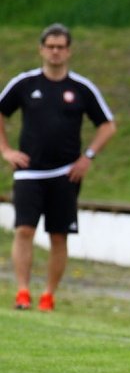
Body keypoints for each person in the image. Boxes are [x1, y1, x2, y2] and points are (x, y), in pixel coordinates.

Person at [0, 23, 116, 311]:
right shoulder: (25, 84)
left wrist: (87, 156)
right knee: (24, 230)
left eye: (60, 47)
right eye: (50, 46)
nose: (55, 52)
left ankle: (48, 295)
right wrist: (6, 150)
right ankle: (23, 292)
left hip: (65, 173)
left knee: (58, 235)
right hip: (29, 172)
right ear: (41, 49)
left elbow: (107, 125)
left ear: (69, 51)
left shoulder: (81, 88)